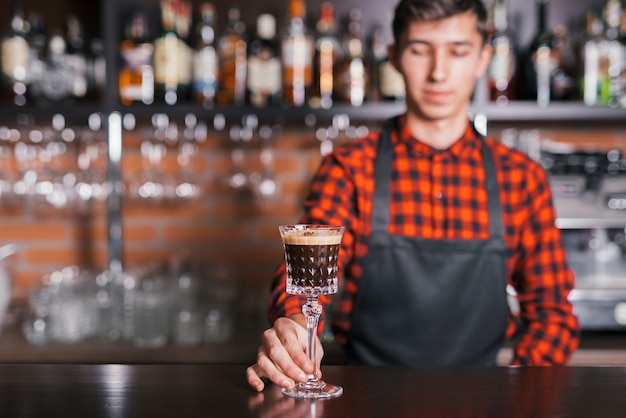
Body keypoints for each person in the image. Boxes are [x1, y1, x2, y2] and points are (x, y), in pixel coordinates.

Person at [246, 0, 581, 393]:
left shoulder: (521, 179)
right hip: (366, 399)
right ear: (394, 58)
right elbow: (304, 275)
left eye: (458, 51)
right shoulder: (349, 169)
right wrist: (294, 332)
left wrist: (515, 393)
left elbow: (553, 315)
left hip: (483, 402)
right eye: (420, 50)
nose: (439, 72)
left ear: (482, 59)